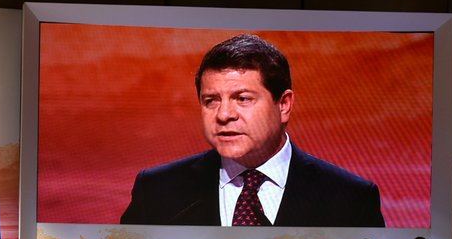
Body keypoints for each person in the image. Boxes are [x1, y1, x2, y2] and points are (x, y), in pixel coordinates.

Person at [120, 33, 384, 227]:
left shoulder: (351, 199)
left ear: (283, 105)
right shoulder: (156, 190)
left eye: (243, 98)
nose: (224, 115)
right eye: (211, 100)